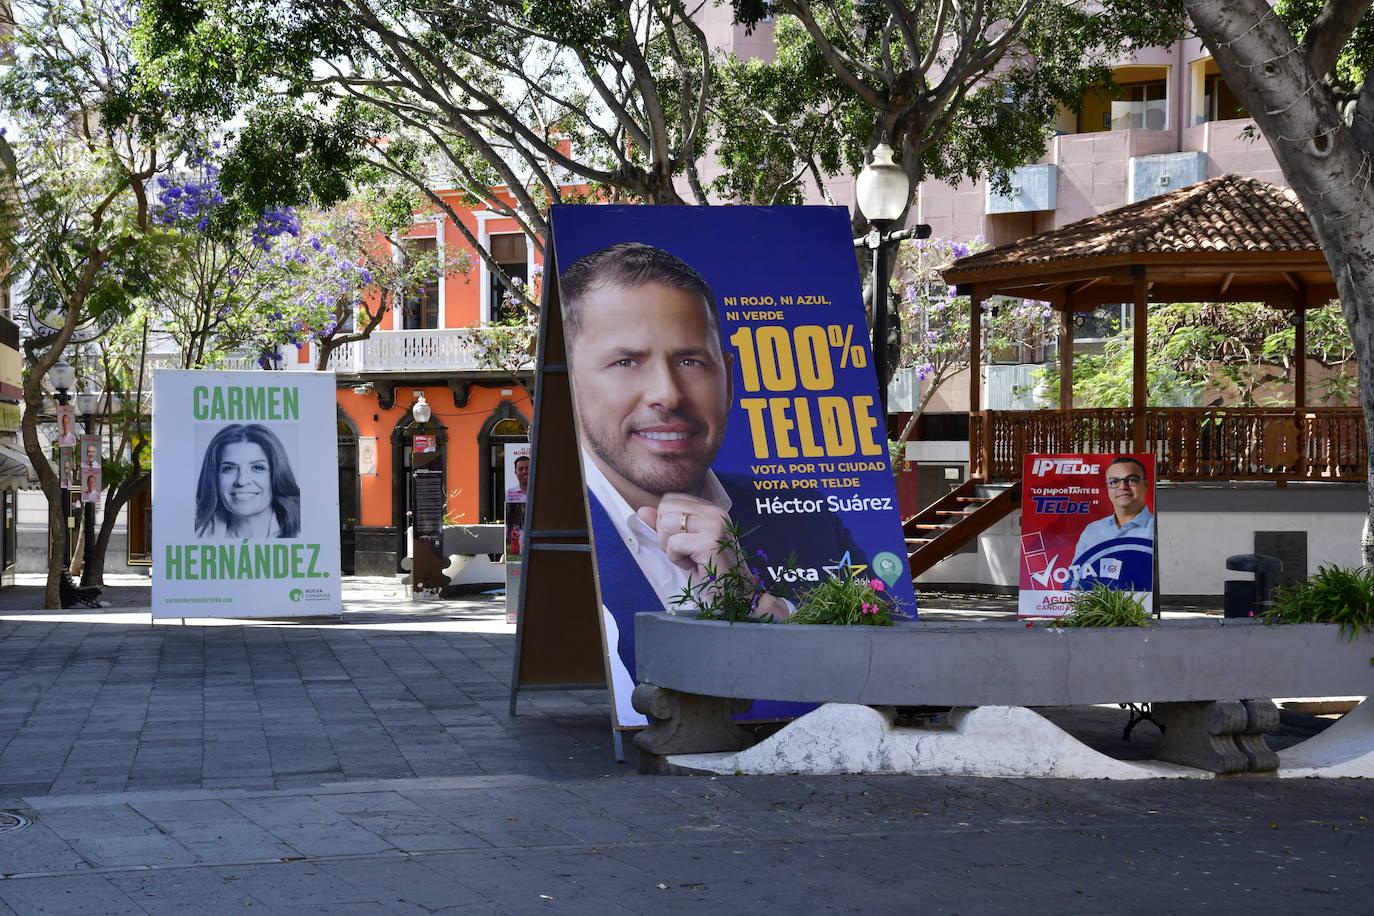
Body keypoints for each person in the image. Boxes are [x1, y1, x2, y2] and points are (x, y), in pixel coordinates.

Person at [561, 242, 859, 724]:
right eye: (626, 361)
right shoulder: (563, 529)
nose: (666, 394)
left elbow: (877, 659)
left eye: (690, 361)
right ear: (568, 382)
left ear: (729, 377)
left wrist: (751, 602)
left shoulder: (805, 515)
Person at [194, 423, 301, 539]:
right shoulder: (195, 535)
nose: (242, 481)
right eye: (229, 468)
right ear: (214, 477)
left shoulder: (305, 531)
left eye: (257, 468)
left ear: (277, 475)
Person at [1072, 456, 1155, 589]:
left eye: (1132, 480)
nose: (1122, 487)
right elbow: (1075, 583)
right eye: (1113, 482)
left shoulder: (1157, 529)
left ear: (1145, 484)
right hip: (1097, 608)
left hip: (1141, 608)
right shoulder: (1092, 531)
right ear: (1107, 488)